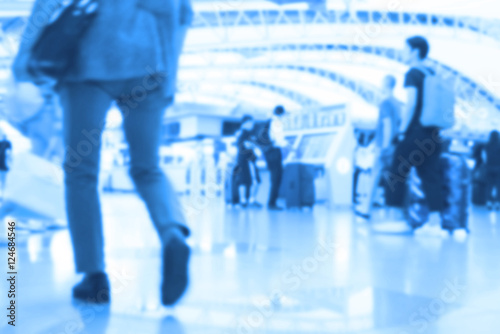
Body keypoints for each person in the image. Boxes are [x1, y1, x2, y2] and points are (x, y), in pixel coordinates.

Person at [13, 0, 194, 305]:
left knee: (81, 172)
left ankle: (93, 276)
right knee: (147, 168)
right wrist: (170, 76)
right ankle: (172, 233)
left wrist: (24, 53)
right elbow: (181, 14)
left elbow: (46, 4)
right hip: (149, 65)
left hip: (88, 67)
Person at [382, 36, 446, 236]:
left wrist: (402, 131)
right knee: (430, 176)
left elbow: (410, 103)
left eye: (405, 49)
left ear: (415, 51)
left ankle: (396, 219)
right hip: (433, 134)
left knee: (396, 173)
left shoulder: (413, 73)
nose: (402, 53)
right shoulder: (432, 74)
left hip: (415, 133)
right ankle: (435, 224)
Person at [255, 106, 289, 211]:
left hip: (268, 152)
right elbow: (278, 140)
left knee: (274, 177)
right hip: (274, 151)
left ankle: (272, 201)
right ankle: (272, 202)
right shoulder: (277, 122)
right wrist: (288, 145)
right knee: (277, 178)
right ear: (282, 113)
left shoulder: (268, 121)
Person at [233, 115, 262, 208]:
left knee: (243, 181)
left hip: (243, 160)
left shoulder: (242, 133)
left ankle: (244, 200)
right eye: (251, 122)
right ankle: (250, 200)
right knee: (255, 180)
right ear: (246, 122)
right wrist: (255, 147)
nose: (252, 124)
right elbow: (246, 145)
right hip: (248, 161)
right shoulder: (244, 133)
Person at [484, 130, 500, 210]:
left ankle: (489, 203)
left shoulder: (487, 145)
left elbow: (484, 158)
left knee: (489, 186)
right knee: (498, 186)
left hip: (489, 168)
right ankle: (497, 203)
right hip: (498, 168)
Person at [0, 135, 12, 200]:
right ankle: (2, 195)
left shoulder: (6, 143)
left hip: (3, 166)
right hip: (3, 166)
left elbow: (9, 153)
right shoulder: (2, 143)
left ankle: (2, 195)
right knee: (3, 181)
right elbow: (9, 154)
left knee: (3, 181)